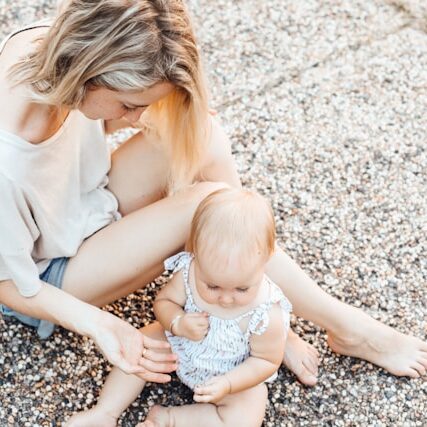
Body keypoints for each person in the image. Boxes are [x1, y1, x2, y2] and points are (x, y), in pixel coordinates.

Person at [0, 0, 425, 396]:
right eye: (130, 105)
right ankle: (346, 326)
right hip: (48, 277)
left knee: (202, 133)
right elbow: (7, 285)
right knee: (207, 206)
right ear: (86, 74)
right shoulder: (7, 161)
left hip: (82, 205)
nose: (135, 118)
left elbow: (92, 130)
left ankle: (255, 301)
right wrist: (102, 326)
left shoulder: (50, 47)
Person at [66, 188, 292, 427]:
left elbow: (265, 362)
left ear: (266, 261)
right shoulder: (189, 272)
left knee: (247, 413)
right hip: (179, 348)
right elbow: (164, 302)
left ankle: (170, 419)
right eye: (213, 286)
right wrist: (177, 322)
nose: (226, 299)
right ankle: (105, 411)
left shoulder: (266, 315)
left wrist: (229, 383)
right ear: (195, 255)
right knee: (141, 342)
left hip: (231, 373)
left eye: (242, 289)